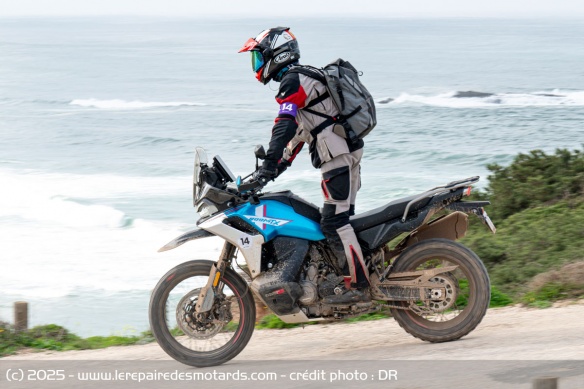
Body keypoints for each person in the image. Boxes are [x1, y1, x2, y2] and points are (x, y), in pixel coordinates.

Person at [238, 27, 370, 303]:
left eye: (259, 58)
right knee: (339, 218)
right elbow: (297, 138)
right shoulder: (303, 79)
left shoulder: (293, 80)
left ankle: (358, 285)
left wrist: (271, 161)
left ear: (276, 53)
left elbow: (284, 124)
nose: (257, 66)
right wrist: (268, 172)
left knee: (334, 222)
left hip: (338, 158)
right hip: (344, 155)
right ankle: (345, 275)